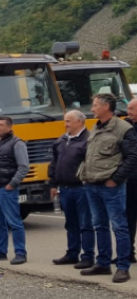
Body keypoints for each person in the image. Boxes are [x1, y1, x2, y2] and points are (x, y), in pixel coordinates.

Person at [78, 93, 137, 283]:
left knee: (120, 226)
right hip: (92, 184)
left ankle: (122, 267)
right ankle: (102, 263)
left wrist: (116, 179)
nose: (92, 109)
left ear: (105, 107)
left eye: (95, 105)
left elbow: (132, 158)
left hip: (110, 186)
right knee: (99, 225)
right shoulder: (96, 127)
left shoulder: (123, 129)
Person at [49, 110, 95, 269]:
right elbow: (54, 163)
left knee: (86, 223)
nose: (66, 124)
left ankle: (88, 256)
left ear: (80, 122)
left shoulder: (89, 140)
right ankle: (72, 253)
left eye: (69, 121)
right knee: (71, 223)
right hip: (65, 188)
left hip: (82, 188)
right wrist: (53, 184)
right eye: (65, 121)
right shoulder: (61, 140)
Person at [0, 116, 30, 264]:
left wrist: (12, 184)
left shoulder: (17, 144)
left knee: (14, 222)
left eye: (1, 125)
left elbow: (23, 167)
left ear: (9, 127)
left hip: (6, 189)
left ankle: (20, 252)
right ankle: (0, 250)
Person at [126, 98, 137, 264]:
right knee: (129, 216)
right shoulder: (128, 127)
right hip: (131, 180)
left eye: (131, 109)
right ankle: (128, 252)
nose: (128, 112)